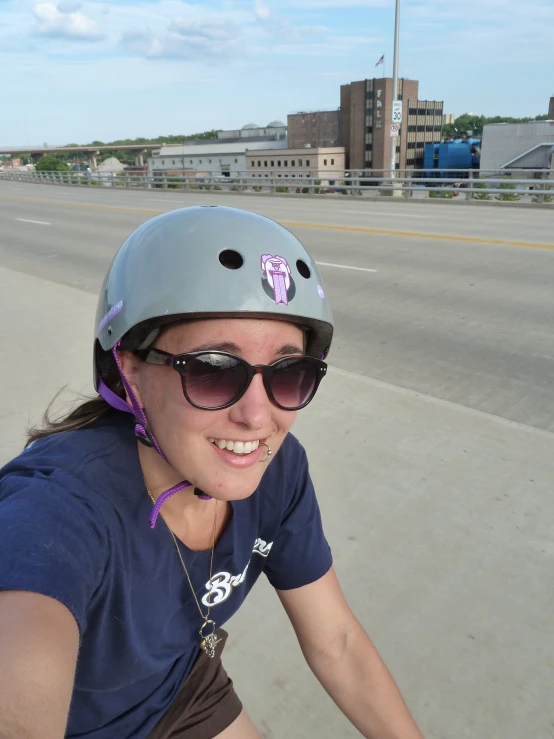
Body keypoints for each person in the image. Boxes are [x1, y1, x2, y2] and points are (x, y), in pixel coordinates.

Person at [0, 206, 424, 739]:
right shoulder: (59, 509)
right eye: (211, 370)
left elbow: (335, 639)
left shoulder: (279, 471)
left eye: (290, 373)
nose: (257, 417)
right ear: (129, 369)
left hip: (181, 690)